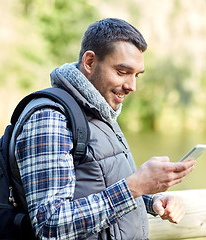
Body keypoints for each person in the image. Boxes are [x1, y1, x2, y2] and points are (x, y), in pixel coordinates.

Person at [14, 18, 196, 240]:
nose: (132, 86)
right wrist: (134, 187)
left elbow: (98, 187)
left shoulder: (99, 110)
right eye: (122, 72)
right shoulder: (50, 118)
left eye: (136, 75)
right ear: (89, 62)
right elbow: (49, 225)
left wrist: (152, 198)